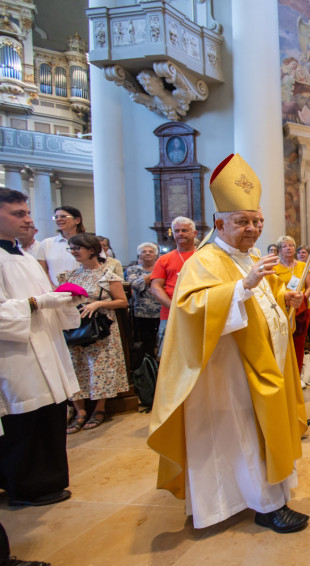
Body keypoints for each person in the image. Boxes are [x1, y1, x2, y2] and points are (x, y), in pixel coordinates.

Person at [148, 153, 309, 534]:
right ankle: (265, 504)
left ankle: (263, 496)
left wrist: (284, 298)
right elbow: (190, 308)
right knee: (243, 435)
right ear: (219, 223)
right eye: (243, 221)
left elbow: (264, 295)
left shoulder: (249, 256)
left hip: (257, 362)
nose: (253, 228)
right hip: (226, 372)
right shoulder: (203, 261)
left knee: (255, 432)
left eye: (257, 221)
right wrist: (240, 287)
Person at [0, 188, 80, 508]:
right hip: (15, 355)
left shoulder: (25, 257)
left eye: (28, 213)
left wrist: (63, 301)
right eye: (18, 214)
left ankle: (47, 481)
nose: (28, 220)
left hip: (45, 346)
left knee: (49, 415)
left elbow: (45, 298)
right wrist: (39, 302)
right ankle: (25, 487)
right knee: (24, 421)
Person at [61, 233, 129, 433]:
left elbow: (122, 302)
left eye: (77, 248)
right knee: (75, 366)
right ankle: (80, 411)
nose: (73, 252)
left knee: (99, 367)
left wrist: (98, 303)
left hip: (99, 328)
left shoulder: (107, 276)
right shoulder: (70, 275)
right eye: (71, 248)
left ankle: (99, 409)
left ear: (92, 250)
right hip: (75, 327)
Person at [150, 217, 198, 356]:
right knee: (169, 356)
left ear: (194, 233)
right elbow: (155, 287)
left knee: (196, 355)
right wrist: (174, 307)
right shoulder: (164, 259)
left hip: (198, 312)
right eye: (177, 231)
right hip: (170, 314)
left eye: (184, 230)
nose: (180, 233)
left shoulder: (204, 257)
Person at [273, 235, 310, 372]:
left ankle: (298, 373)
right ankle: (285, 373)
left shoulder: (302, 265)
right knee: (283, 341)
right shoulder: (275, 268)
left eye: (291, 245)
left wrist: (302, 299)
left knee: (299, 342)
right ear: (279, 250)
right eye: (284, 246)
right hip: (283, 309)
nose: (288, 248)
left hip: (301, 309)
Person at [125, 242, 161, 361]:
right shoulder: (133, 270)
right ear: (139, 255)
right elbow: (135, 285)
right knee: (146, 342)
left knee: (163, 340)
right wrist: (154, 273)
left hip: (162, 309)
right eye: (144, 251)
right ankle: (148, 366)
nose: (147, 253)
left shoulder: (163, 268)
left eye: (151, 251)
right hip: (142, 311)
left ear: (156, 255)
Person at [36, 205, 85, 287]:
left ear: (77, 220)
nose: (58, 219)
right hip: (55, 290)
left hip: (84, 290)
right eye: (56, 217)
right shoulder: (46, 243)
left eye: (63, 216)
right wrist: (53, 288)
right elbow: (42, 271)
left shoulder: (89, 243)